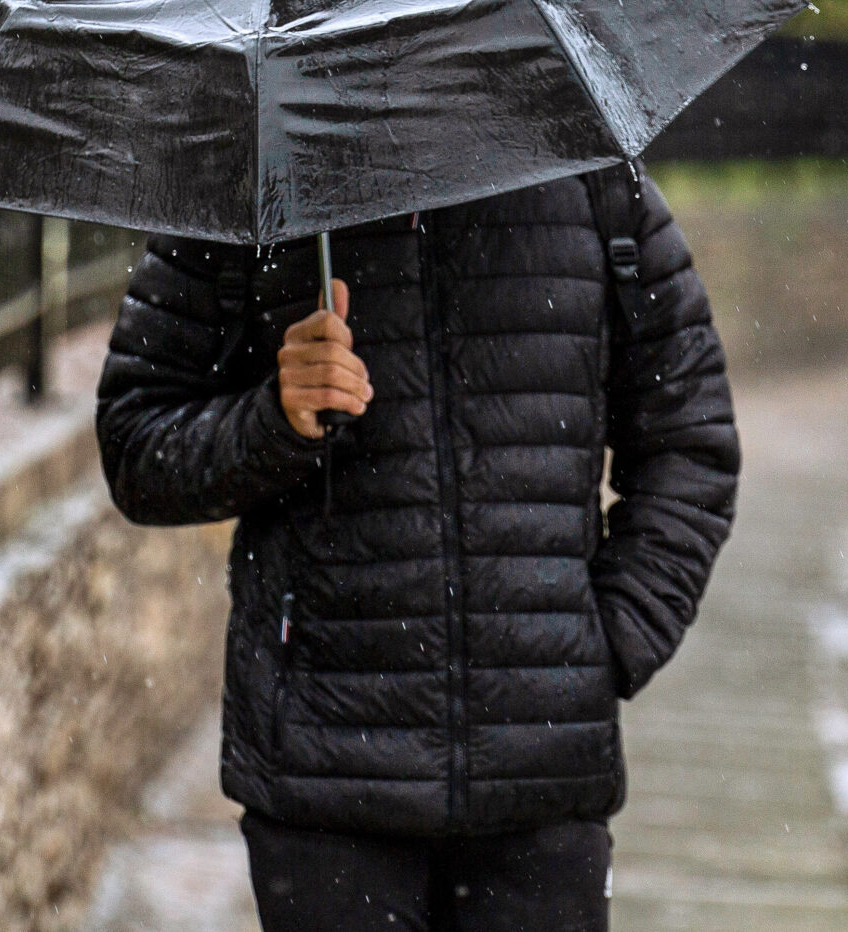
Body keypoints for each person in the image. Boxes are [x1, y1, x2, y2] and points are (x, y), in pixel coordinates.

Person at [97, 167, 738, 932]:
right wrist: (277, 419)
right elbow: (137, 448)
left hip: (540, 779)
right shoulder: (254, 191)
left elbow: (689, 444)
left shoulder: (594, 184)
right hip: (327, 774)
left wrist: (607, 645)